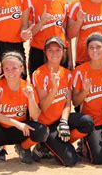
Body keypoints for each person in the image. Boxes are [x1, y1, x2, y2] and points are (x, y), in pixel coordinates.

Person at [0, 51, 49, 171]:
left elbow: (36, 115)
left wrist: (30, 98)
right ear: (2, 69)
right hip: (0, 132)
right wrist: (17, 123)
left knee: (41, 130)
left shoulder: (26, 87)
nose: (10, 72)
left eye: (14, 68)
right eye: (6, 68)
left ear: (22, 68)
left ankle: (23, 148)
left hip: (19, 133)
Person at [31, 37, 94, 166]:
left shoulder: (67, 74)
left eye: (58, 50)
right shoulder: (39, 74)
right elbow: (43, 106)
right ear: (45, 53)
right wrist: (54, 88)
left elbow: (67, 102)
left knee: (87, 121)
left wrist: (64, 122)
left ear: (63, 52)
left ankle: (62, 142)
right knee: (70, 160)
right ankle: (43, 145)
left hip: (60, 120)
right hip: (47, 125)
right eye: (50, 50)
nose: (54, 53)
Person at [72, 33, 102, 164]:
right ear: (87, 50)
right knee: (99, 159)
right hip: (93, 122)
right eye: (91, 47)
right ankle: (84, 144)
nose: (95, 50)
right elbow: (75, 102)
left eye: (98, 47)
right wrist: (85, 91)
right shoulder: (80, 71)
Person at [28, 0, 71, 75]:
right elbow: (29, 33)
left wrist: (70, 57)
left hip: (59, 51)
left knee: (61, 88)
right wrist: (41, 23)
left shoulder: (63, 3)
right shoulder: (32, 2)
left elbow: (67, 34)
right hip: (39, 51)